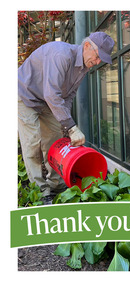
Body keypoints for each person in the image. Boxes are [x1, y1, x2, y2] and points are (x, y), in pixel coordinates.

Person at [18, 32, 115, 197]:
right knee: (33, 142)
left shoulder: (83, 66)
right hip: (25, 94)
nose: (97, 62)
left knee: (55, 141)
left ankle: (56, 185)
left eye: (101, 60)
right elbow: (52, 94)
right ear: (87, 46)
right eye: (98, 56)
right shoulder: (61, 55)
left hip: (48, 100)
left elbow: (68, 96)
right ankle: (40, 191)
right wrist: (71, 127)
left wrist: (65, 125)